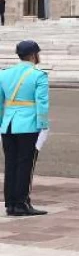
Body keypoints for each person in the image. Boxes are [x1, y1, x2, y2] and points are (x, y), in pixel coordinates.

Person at [1, 41, 49, 217]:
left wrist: (1, 123)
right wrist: (44, 125)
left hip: (8, 125)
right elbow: (42, 104)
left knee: (11, 164)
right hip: (28, 124)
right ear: (33, 55)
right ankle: (21, 202)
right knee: (25, 164)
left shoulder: (4, 74)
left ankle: (11, 203)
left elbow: (0, 104)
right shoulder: (39, 75)